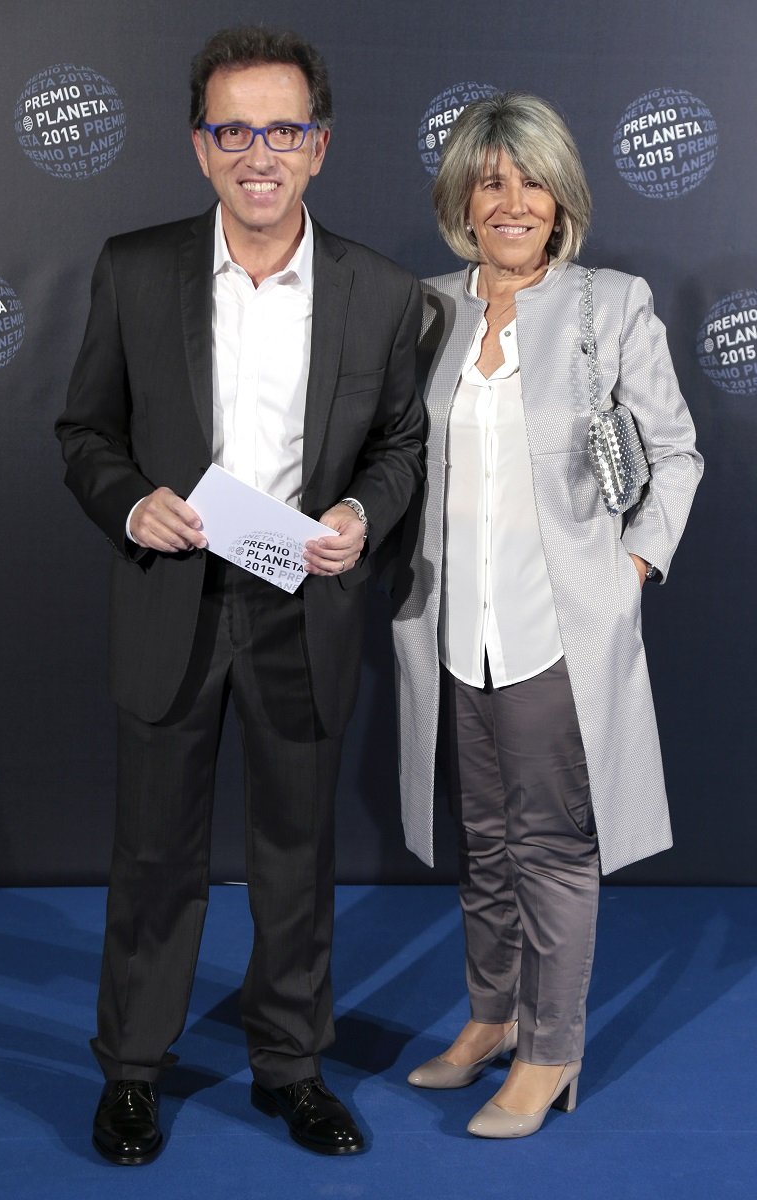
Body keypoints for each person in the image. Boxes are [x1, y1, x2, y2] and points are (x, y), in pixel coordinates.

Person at [56, 25, 423, 1163]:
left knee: (293, 854)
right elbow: (85, 432)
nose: (256, 151)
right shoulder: (133, 267)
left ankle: (290, 1066)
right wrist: (129, 503)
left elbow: (399, 441)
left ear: (317, 145)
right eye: (233, 129)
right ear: (200, 146)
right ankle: (131, 1071)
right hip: (172, 592)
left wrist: (361, 516)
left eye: (281, 128)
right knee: (153, 853)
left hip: (300, 608)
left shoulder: (380, 289)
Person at [392, 92, 702, 1139]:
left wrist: (633, 567)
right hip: (450, 626)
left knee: (550, 847)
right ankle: (487, 1019)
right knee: (483, 842)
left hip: (554, 629)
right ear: (461, 201)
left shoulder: (609, 304)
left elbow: (673, 452)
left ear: (559, 198)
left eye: (527, 180)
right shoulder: (425, 308)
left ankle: (549, 1049)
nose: (509, 200)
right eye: (488, 181)